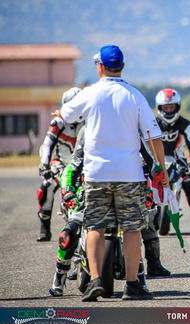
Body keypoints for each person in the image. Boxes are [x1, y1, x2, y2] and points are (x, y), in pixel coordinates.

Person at [57, 44, 168, 301]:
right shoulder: (134, 96)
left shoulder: (90, 93)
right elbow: (154, 136)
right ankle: (132, 285)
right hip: (130, 175)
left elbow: (66, 115)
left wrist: (60, 113)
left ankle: (96, 280)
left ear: (99, 67)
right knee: (131, 229)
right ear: (122, 67)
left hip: (96, 174)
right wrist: (161, 169)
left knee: (95, 226)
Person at [48, 134, 171, 297]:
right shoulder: (88, 131)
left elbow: (147, 167)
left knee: (136, 229)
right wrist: (68, 190)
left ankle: (140, 279)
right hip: (90, 193)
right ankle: (59, 277)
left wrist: (150, 192)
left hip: (126, 191)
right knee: (68, 234)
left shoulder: (130, 131)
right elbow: (73, 166)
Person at [155, 88, 190, 234]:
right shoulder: (152, 123)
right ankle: (144, 224)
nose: (168, 110)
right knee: (142, 187)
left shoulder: (186, 124)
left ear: (177, 106)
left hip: (179, 161)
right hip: (156, 161)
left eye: (171, 107)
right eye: (165, 107)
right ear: (159, 108)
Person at [36, 87, 83, 241]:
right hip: (61, 163)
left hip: (84, 164)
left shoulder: (91, 122)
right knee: (46, 186)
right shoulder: (58, 122)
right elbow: (47, 144)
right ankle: (44, 225)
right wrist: (45, 166)